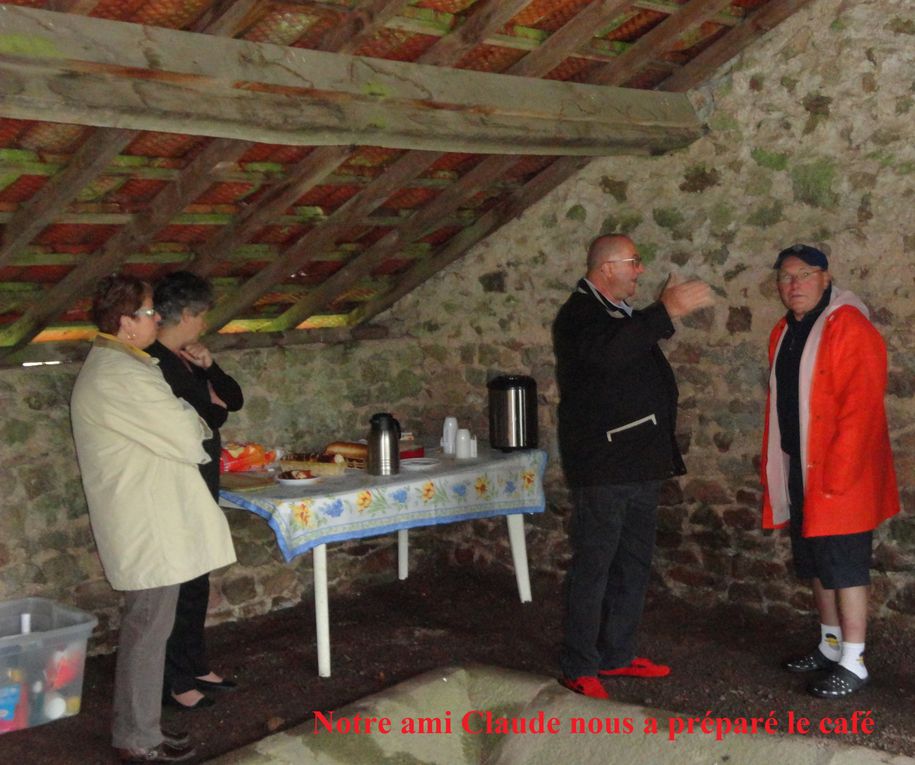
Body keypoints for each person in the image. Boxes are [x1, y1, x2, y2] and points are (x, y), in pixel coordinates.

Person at [70, 274, 236, 763]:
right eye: (147, 312)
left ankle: (144, 730)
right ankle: (137, 739)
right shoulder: (120, 376)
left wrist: (188, 414)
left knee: (152, 628)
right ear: (125, 323)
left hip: (150, 514)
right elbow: (191, 437)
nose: (156, 318)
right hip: (146, 521)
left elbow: (183, 423)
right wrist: (195, 416)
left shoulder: (123, 365)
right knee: (147, 630)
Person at [552, 234, 713, 699]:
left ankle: (617, 654)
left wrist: (659, 315)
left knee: (634, 563)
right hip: (606, 463)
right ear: (606, 268)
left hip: (640, 460)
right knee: (596, 565)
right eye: (634, 263)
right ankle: (580, 664)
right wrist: (665, 312)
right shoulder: (579, 315)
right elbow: (609, 353)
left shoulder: (617, 311)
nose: (640, 271)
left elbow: (629, 350)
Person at [761, 244, 899, 698]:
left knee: (845, 566)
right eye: (785, 276)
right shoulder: (786, 330)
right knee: (817, 564)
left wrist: (836, 479)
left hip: (841, 474)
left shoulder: (850, 327)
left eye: (803, 275)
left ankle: (855, 661)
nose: (793, 284)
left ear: (825, 278)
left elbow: (861, 409)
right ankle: (830, 644)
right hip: (803, 469)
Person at [148, 271, 244, 710]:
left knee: (198, 572)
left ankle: (195, 662)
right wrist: (213, 406)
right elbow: (207, 416)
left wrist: (211, 367)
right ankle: (174, 680)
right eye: (202, 315)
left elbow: (232, 400)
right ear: (185, 314)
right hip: (178, 479)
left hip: (202, 476)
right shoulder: (155, 362)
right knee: (180, 580)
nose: (204, 324)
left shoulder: (186, 357)